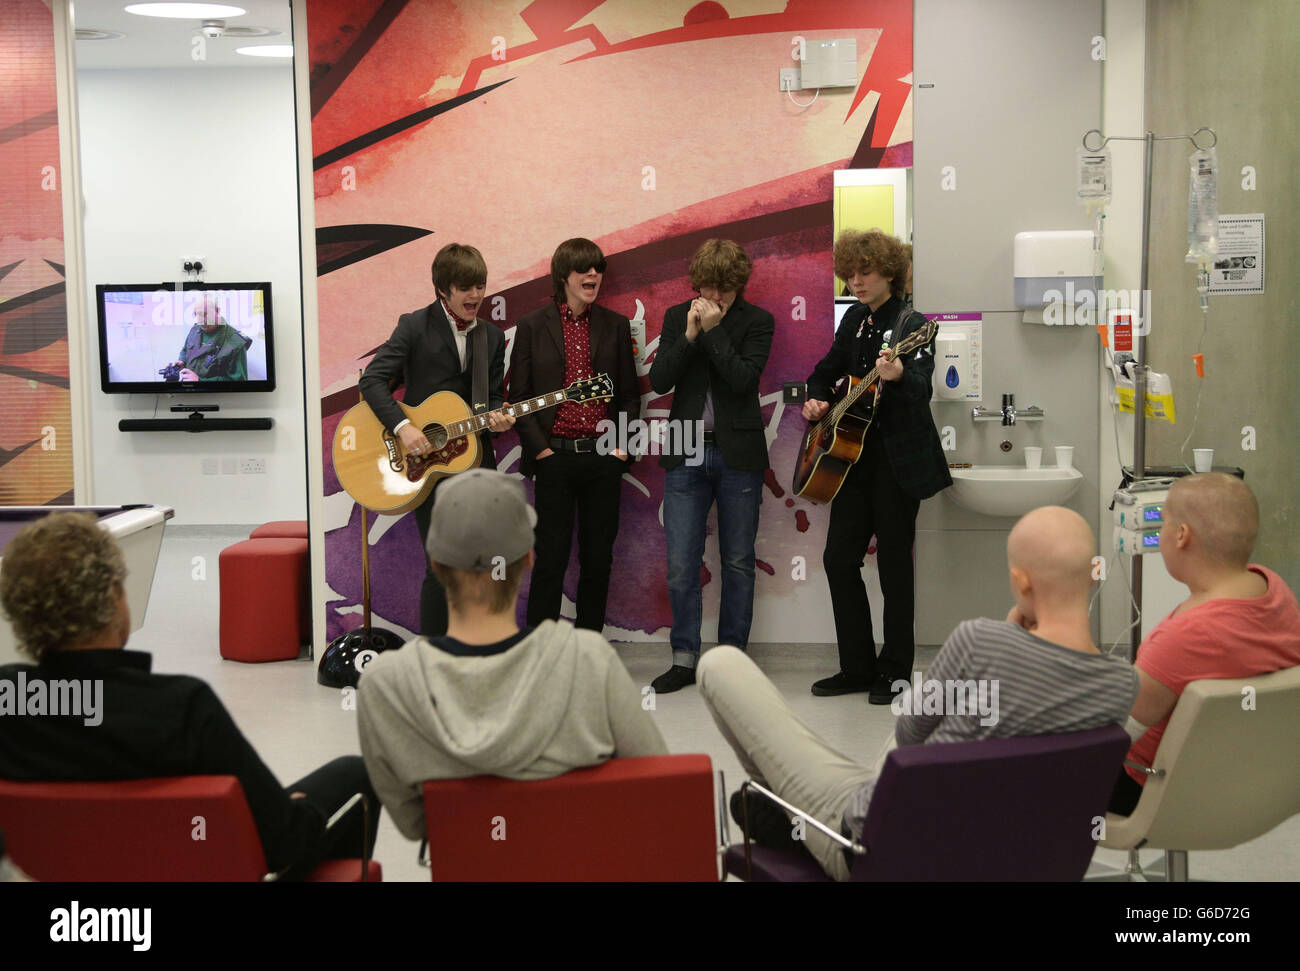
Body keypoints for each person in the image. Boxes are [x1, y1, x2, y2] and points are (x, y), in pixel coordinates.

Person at [698, 506, 1138, 881]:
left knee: (720, 665)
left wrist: (1004, 635)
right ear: (1093, 575)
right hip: (999, 857)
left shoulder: (978, 640)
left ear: (1022, 583)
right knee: (853, 768)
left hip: (874, 846)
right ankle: (795, 814)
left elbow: (909, 735)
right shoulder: (1123, 684)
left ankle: (800, 821)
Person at [0, 513, 378, 880]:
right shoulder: (182, 706)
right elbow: (279, 843)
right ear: (114, 598)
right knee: (355, 773)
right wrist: (301, 814)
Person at [356, 469, 667, 840]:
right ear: (529, 559)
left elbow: (414, 826)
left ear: (435, 564)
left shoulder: (385, 684)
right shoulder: (588, 659)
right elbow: (658, 787)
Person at [803, 229, 951, 703]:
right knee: (837, 560)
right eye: (849, 273)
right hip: (850, 462)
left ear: (890, 271)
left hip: (896, 463)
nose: (855, 281)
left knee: (893, 567)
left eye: (864, 272)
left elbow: (923, 386)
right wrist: (817, 401)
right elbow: (825, 372)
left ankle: (896, 671)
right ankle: (857, 667)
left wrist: (900, 373)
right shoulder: (854, 323)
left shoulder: (914, 324)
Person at [1110, 473, 1300, 815]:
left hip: (1152, 789)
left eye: (1163, 522)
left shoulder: (1184, 637)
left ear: (1181, 536)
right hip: (1251, 785)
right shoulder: (1276, 592)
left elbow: (1116, 734)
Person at [358, 242, 515, 637]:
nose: (476, 296)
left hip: (478, 463)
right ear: (442, 289)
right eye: (465, 288)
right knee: (441, 566)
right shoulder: (414, 325)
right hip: (426, 466)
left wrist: (498, 416)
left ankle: (478, 652)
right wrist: (402, 428)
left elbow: (492, 396)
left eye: (479, 286)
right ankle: (434, 660)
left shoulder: (492, 338)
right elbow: (373, 380)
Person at [647, 239, 774, 693]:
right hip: (685, 447)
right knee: (681, 563)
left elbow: (743, 381)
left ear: (737, 285)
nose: (711, 297)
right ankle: (684, 659)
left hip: (737, 453)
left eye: (721, 290)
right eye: (705, 287)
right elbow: (660, 379)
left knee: (738, 561)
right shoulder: (679, 315)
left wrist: (716, 331)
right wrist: (690, 336)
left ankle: (732, 661)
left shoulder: (758, 321)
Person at [509, 238, 639, 631]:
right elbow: (520, 398)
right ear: (563, 275)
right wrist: (542, 453)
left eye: (598, 268)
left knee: (598, 559)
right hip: (555, 459)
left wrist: (620, 451)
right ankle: (541, 648)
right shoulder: (533, 326)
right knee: (550, 558)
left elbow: (630, 396)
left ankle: (588, 648)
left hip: (603, 459)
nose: (594, 275)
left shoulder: (615, 326)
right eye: (584, 269)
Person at [174, 292, 251, 382]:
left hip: (214, 395)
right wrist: (182, 362)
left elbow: (239, 381)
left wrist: (200, 381)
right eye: (196, 314)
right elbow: (185, 351)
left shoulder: (236, 342)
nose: (200, 320)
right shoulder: (195, 329)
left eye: (204, 314)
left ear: (217, 310)